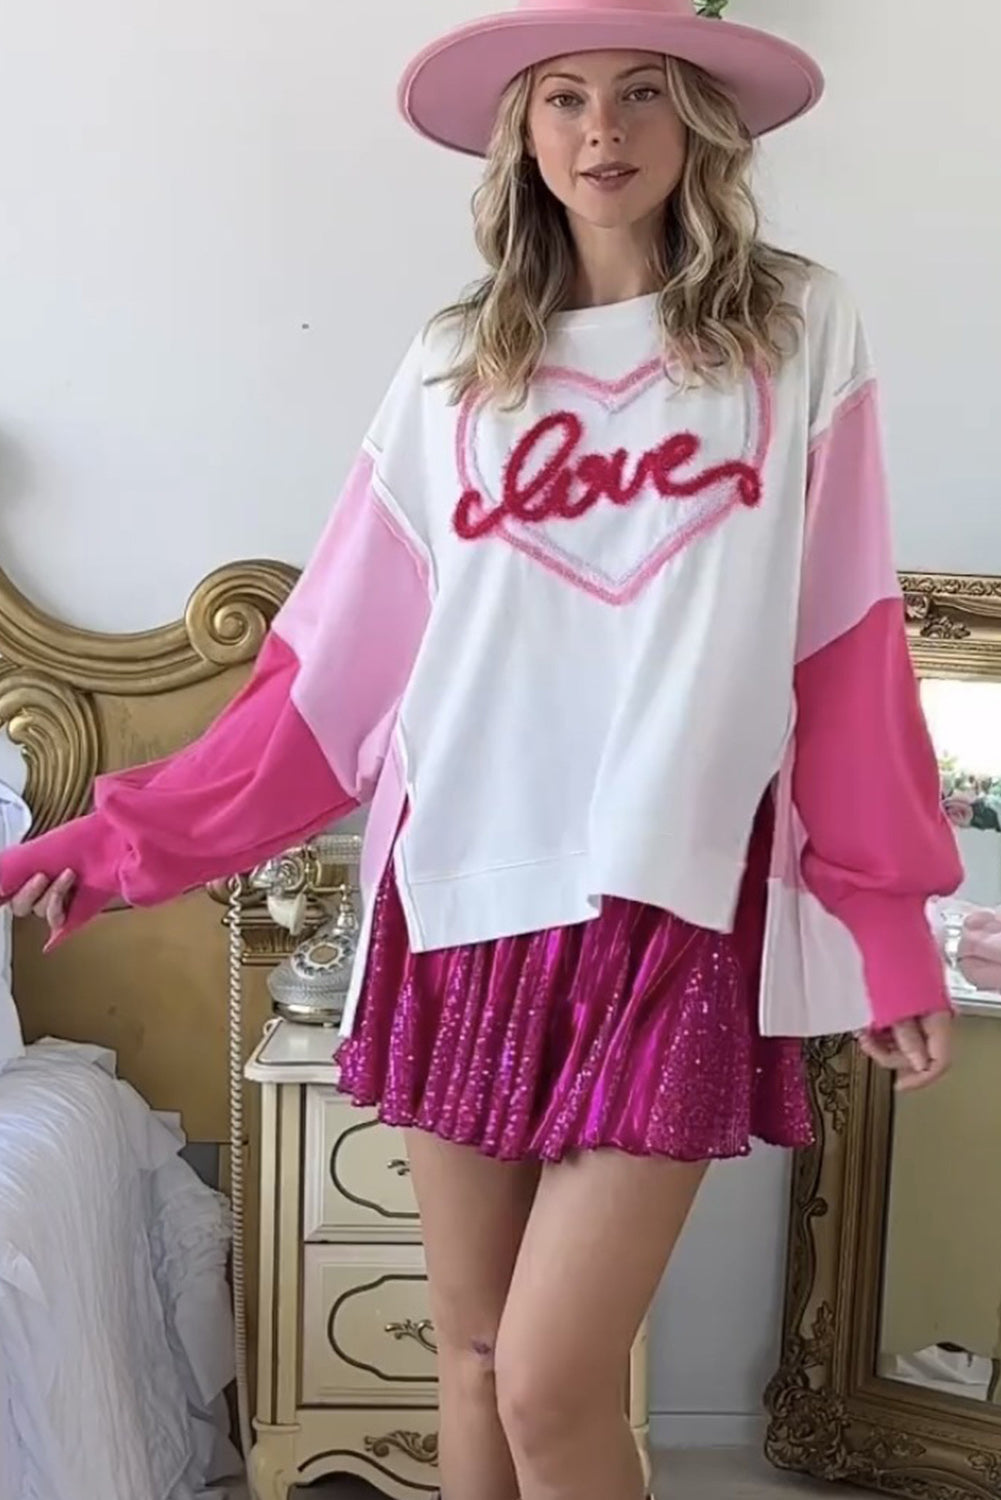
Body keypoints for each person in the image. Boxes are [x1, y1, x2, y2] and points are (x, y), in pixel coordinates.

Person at [0, 2, 972, 1497]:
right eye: (566, 98)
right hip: (460, 895)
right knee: (468, 1361)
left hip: (670, 904)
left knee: (549, 1381)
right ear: (521, 132)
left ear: (696, 122)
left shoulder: (793, 329)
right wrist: (126, 839)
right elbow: (329, 672)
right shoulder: (457, 366)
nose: (603, 130)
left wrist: (884, 916)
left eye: (643, 93)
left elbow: (842, 642)